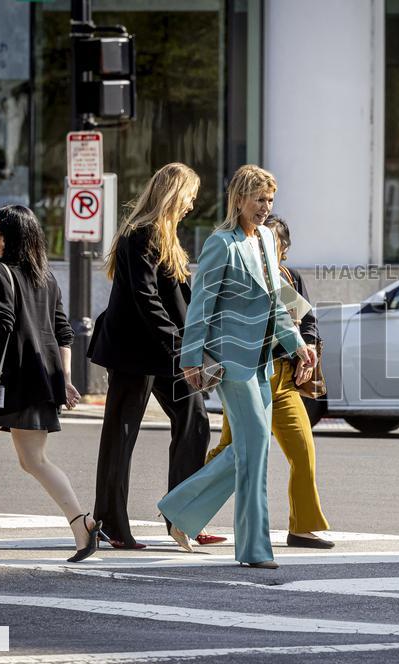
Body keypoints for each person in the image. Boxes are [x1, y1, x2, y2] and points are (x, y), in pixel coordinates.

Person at [157, 164, 317, 569]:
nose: (265, 208)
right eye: (259, 199)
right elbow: (201, 307)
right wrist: (191, 358)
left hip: (263, 362)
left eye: (270, 201)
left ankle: (180, 509)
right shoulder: (220, 244)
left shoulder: (264, 239)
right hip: (231, 363)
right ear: (240, 199)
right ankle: (254, 549)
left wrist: (298, 345)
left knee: (248, 450)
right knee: (257, 447)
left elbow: (277, 303)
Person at [0, 204, 102, 563]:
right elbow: (63, 333)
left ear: (7, 237)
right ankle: (81, 525)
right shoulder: (47, 277)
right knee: (35, 460)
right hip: (38, 382)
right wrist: (65, 380)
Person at [89, 163, 222, 550]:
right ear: (172, 192)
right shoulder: (140, 234)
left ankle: (183, 514)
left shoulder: (168, 235)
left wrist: (200, 339)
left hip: (166, 350)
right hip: (135, 351)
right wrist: (183, 349)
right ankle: (110, 522)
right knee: (121, 434)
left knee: (194, 418)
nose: (191, 205)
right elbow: (144, 299)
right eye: (190, 196)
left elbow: (181, 299)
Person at [206, 215, 333, 549]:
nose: (262, 247)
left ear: (284, 249)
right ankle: (186, 514)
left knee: (304, 450)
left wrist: (305, 356)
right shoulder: (245, 278)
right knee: (229, 453)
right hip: (248, 376)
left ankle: (302, 527)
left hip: (285, 379)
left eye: (271, 242)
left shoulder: (288, 278)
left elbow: (308, 323)